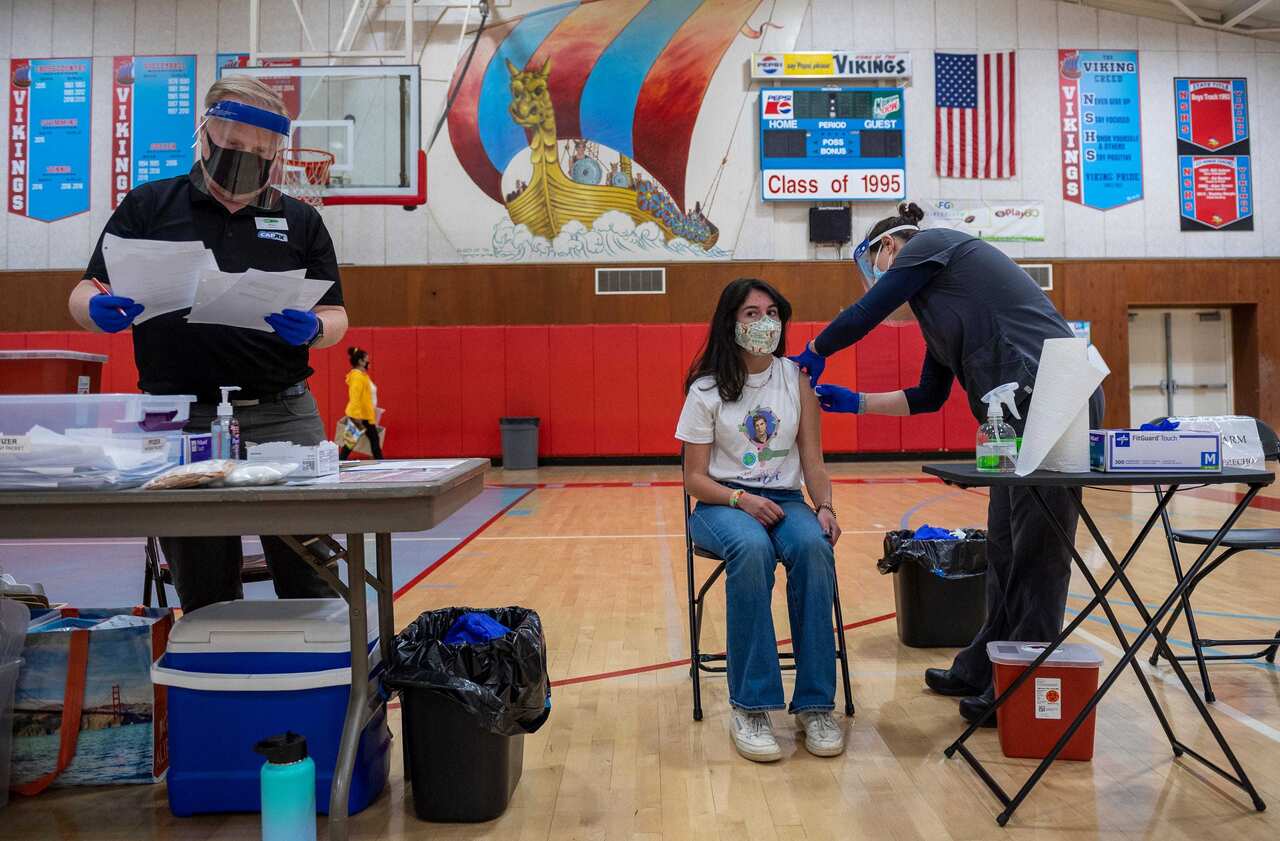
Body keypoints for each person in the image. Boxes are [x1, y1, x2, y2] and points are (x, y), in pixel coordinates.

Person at [789, 202, 1103, 727]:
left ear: (890, 247)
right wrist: (857, 401)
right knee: (1003, 546)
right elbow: (927, 397)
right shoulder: (940, 310)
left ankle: (1023, 686)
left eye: (871, 265)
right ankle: (986, 664)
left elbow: (864, 315)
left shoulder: (931, 245)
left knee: (1038, 554)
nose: (875, 281)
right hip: (1019, 418)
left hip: (1056, 399)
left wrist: (817, 349)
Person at [68, 76, 349, 613]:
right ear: (206, 137)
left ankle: (319, 685)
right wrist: (94, 309)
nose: (245, 161)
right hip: (177, 419)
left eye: (260, 153)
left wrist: (314, 330)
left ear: (276, 156)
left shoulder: (299, 219)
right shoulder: (151, 205)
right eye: (234, 147)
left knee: (311, 575)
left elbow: (336, 315)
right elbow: (86, 290)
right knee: (202, 586)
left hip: (282, 413)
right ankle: (215, 686)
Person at [676, 278, 845, 763]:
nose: (764, 322)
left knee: (813, 547)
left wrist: (826, 507)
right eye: (752, 313)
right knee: (751, 549)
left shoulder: (797, 379)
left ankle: (815, 705)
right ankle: (751, 706)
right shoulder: (706, 390)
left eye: (772, 312)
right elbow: (693, 479)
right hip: (720, 504)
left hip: (788, 500)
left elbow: (812, 461)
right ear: (731, 322)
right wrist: (741, 500)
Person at [341, 345, 383, 460]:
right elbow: (355, 397)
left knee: (369, 441)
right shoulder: (357, 377)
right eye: (366, 359)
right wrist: (356, 416)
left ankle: (341, 460)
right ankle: (340, 461)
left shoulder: (362, 376)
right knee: (352, 442)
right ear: (360, 361)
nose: (368, 362)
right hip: (359, 416)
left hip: (366, 415)